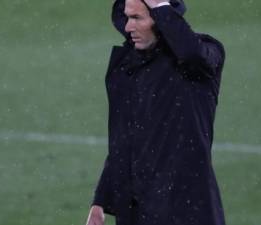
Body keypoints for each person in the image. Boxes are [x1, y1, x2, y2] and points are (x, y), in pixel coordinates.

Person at [85, 0, 226, 224]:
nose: (128, 27)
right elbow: (122, 140)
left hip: (187, 209)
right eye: (128, 17)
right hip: (137, 211)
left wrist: (159, 5)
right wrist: (100, 201)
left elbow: (191, 54)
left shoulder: (204, 54)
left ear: (161, 18)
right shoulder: (127, 67)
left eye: (137, 18)